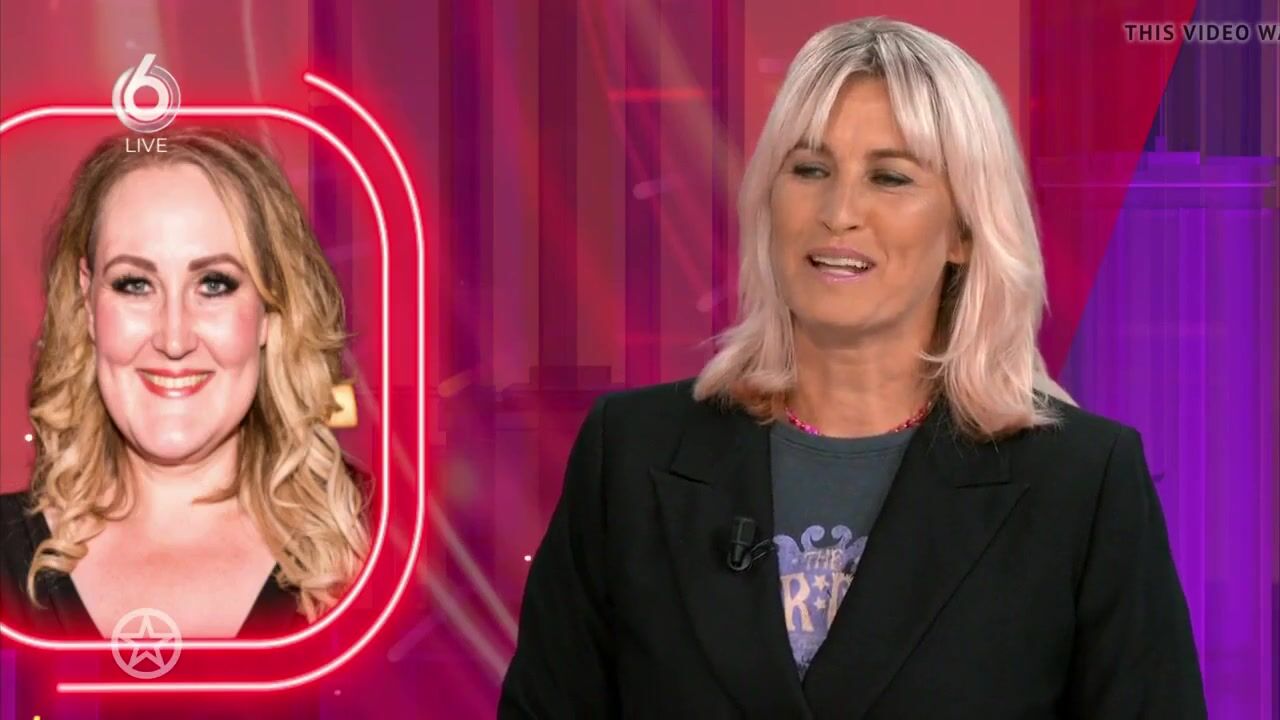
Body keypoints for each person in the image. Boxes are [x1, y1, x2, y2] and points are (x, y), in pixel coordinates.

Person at [499, 17, 1206, 719]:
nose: (839, 212)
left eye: (889, 178)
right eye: (810, 169)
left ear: (964, 231)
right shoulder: (628, 453)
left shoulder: (1082, 483)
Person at [0, 128, 370, 641]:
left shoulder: (384, 553)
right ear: (88, 303)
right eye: (135, 284)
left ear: (270, 310)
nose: (173, 339)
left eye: (214, 284)